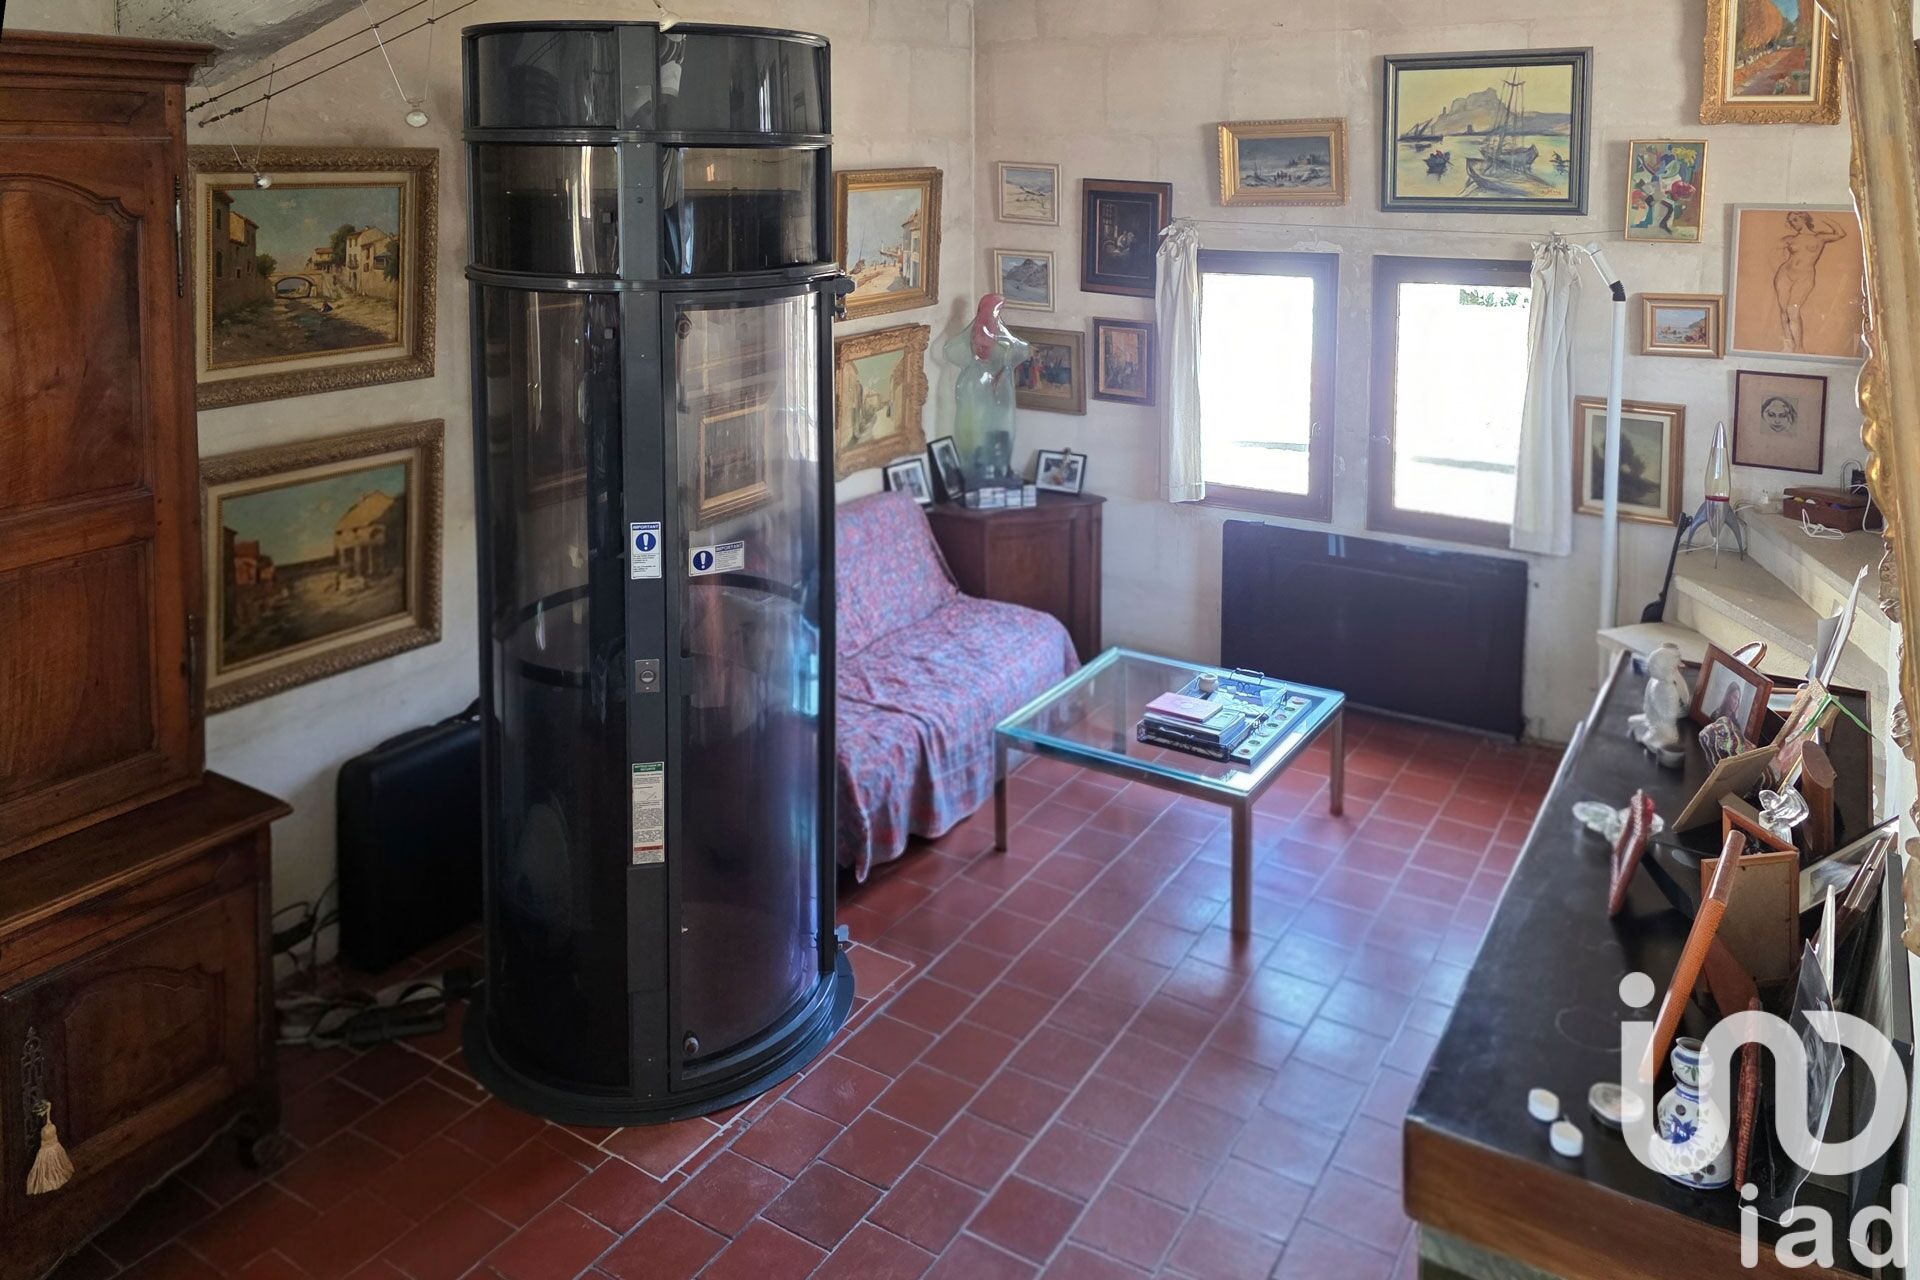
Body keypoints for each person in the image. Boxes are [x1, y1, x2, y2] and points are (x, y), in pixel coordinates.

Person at [1773, 211, 1847, 353]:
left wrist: (1826, 219)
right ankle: (1788, 345)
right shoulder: (1790, 239)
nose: (1792, 223)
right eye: (1790, 221)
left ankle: (1799, 347)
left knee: (1793, 310)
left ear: (1803, 218)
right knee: (1784, 311)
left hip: (1804, 276)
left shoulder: (1819, 237)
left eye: (1795, 219)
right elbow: (1772, 250)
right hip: (1785, 274)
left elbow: (1840, 234)